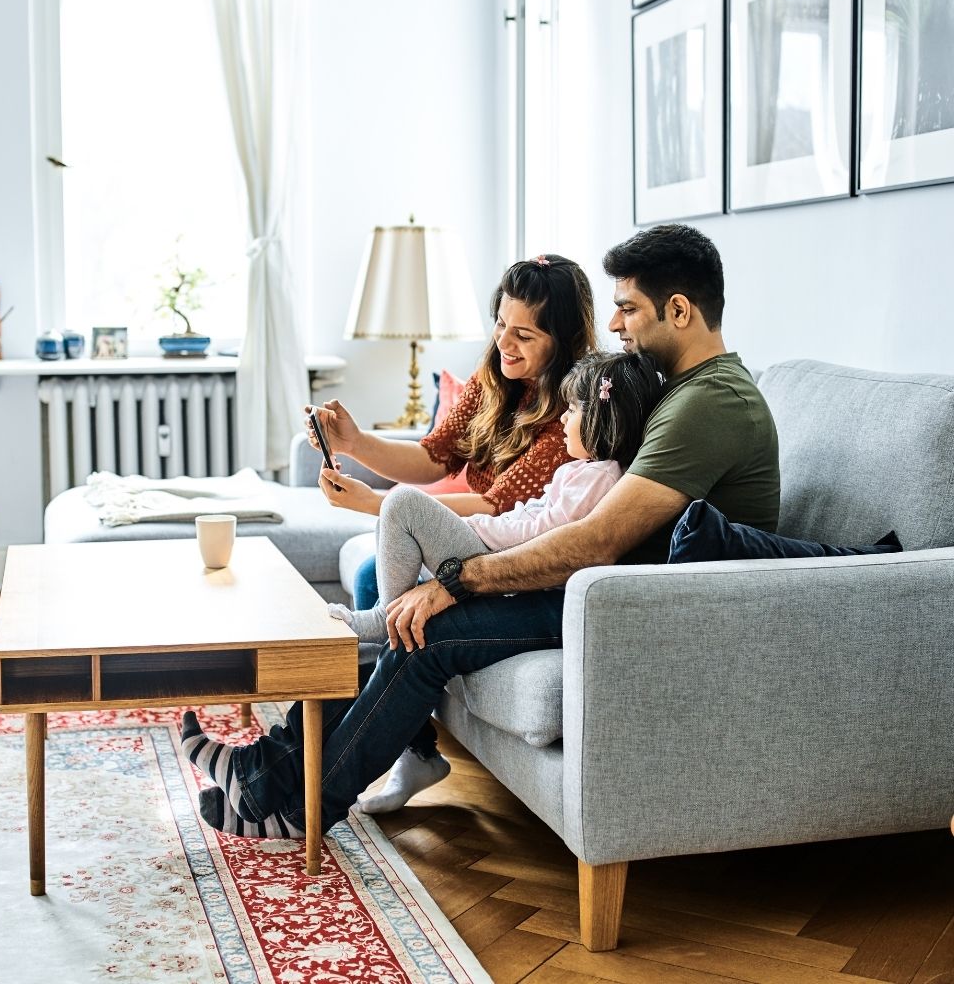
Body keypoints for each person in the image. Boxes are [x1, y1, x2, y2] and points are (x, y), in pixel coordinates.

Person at [179, 223, 781, 839]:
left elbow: (598, 538)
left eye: (628, 309)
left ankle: (290, 800)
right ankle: (270, 775)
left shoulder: (709, 402)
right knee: (410, 629)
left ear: (679, 310)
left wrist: (458, 581)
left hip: (629, 605)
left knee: (426, 633)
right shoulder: (668, 388)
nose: (618, 325)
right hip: (597, 590)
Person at [310, 253, 601, 810]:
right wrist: (352, 443)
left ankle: (399, 746)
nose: (504, 343)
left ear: (563, 338)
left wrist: (380, 505)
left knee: (380, 570)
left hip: (517, 553)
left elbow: (497, 506)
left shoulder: (573, 413)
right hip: (474, 532)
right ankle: (415, 751)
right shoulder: (497, 377)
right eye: (499, 325)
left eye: (523, 334)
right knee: (375, 571)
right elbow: (433, 454)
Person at [327, 351, 664, 648]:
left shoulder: (601, 477)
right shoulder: (581, 469)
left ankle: (380, 620)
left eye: (573, 409)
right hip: (491, 545)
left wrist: (482, 531)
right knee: (396, 517)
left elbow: (545, 532)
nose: (563, 417)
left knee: (402, 505)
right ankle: (376, 641)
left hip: (501, 565)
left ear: (602, 419)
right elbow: (525, 510)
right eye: (502, 325)